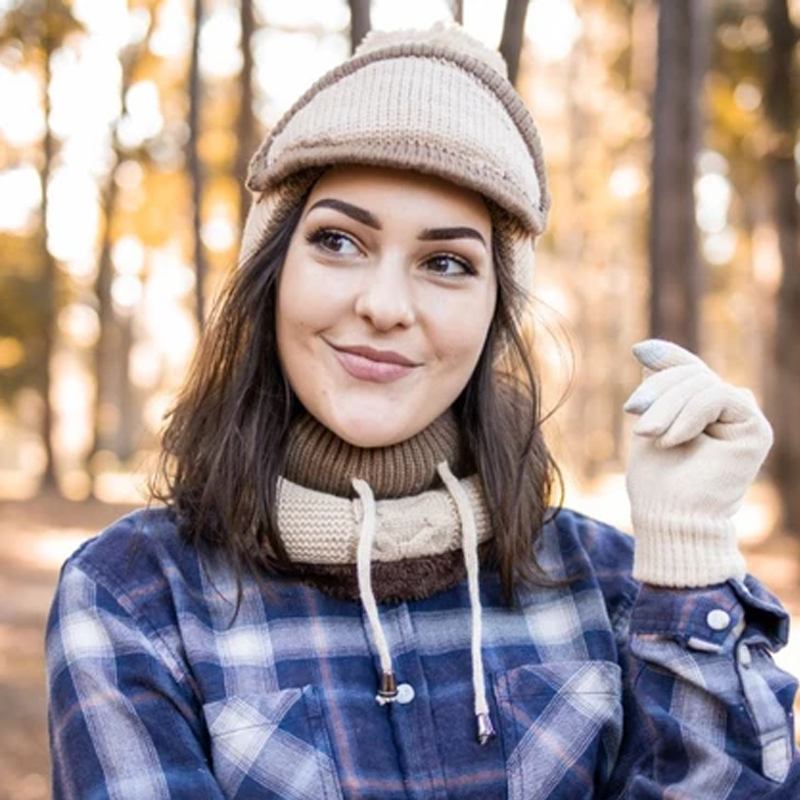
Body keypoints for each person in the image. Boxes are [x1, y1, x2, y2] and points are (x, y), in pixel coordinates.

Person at [46, 23, 798, 800]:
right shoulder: (133, 599)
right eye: (338, 241)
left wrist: (689, 557)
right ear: (272, 269)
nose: (384, 306)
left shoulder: (612, 591)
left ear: (495, 311)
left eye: (446, 262)